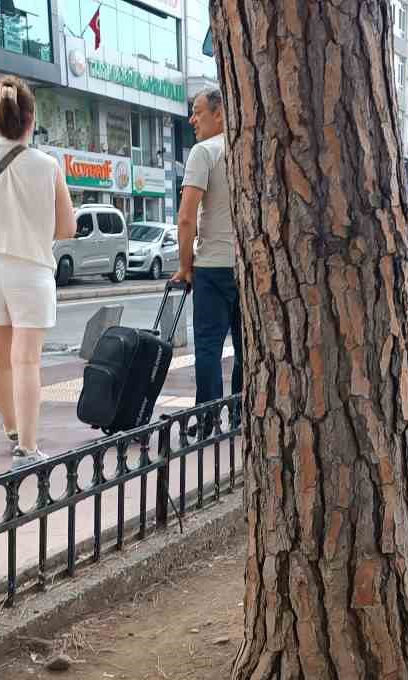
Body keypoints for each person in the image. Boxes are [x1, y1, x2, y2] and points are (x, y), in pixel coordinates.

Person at [0, 76, 76, 463]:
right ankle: (27, 446)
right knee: (27, 360)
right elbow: (67, 228)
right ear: (31, 118)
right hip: (30, 269)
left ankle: (10, 428)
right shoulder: (48, 166)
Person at [174, 85, 242, 429]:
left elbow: (187, 217)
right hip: (247, 270)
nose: (192, 119)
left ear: (219, 113)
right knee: (248, 349)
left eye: (198, 111)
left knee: (209, 346)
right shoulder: (246, 151)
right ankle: (243, 414)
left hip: (212, 268)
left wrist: (185, 267)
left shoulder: (204, 152)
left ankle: (208, 418)